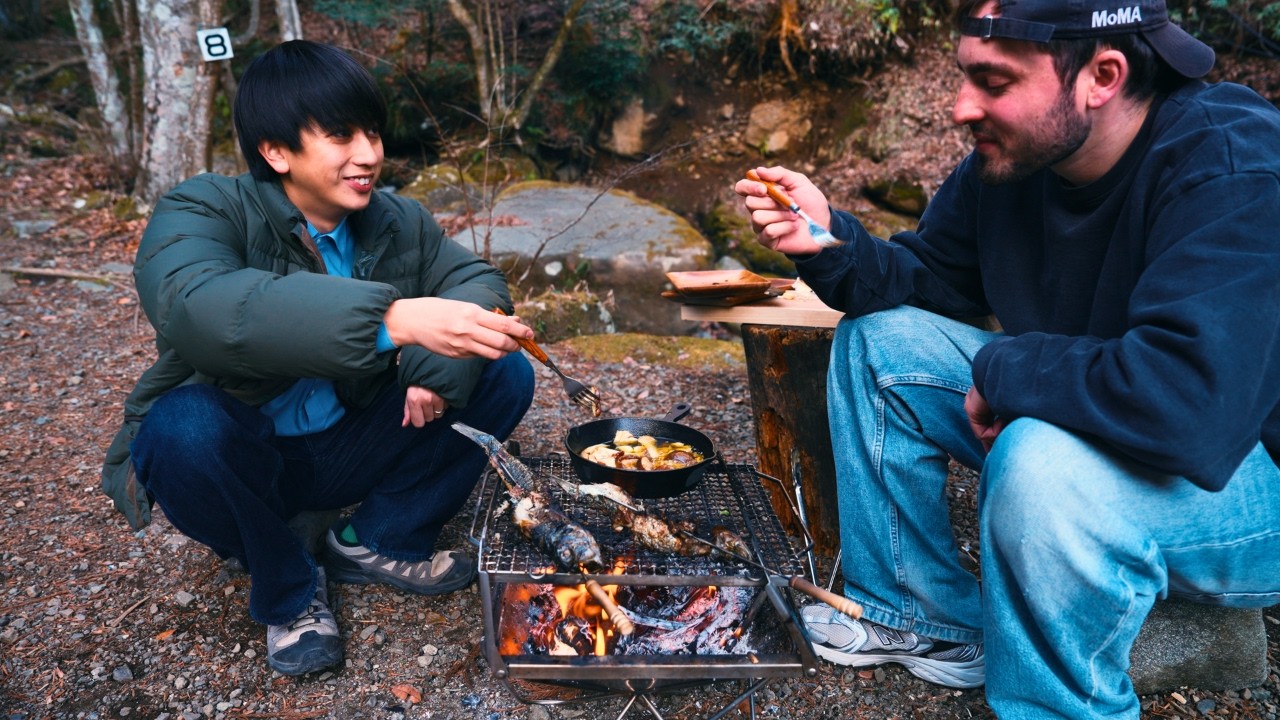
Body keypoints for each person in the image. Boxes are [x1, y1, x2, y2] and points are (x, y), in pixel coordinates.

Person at [736, 0, 1280, 716]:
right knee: (883, 343)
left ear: (1102, 75)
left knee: (1038, 460)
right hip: (1114, 416)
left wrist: (1005, 371)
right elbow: (919, 281)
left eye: (994, 82)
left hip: (1244, 482)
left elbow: (1187, 405)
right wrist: (826, 238)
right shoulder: (1019, 163)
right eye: (965, 78)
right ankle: (914, 613)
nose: (962, 107)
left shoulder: (1230, 165)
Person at [100, 40, 537, 677]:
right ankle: (290, 587)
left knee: (502, 365)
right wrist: (393, 321)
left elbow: (476, 281)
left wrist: (433, 367)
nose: (369, 154)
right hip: (250, 457)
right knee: (182, 427)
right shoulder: (203, 207)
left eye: (373, 132)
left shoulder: (397, 220)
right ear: (276, 151)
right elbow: (200, 308)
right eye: (341, 135)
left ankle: (375, 540)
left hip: (351, 439)